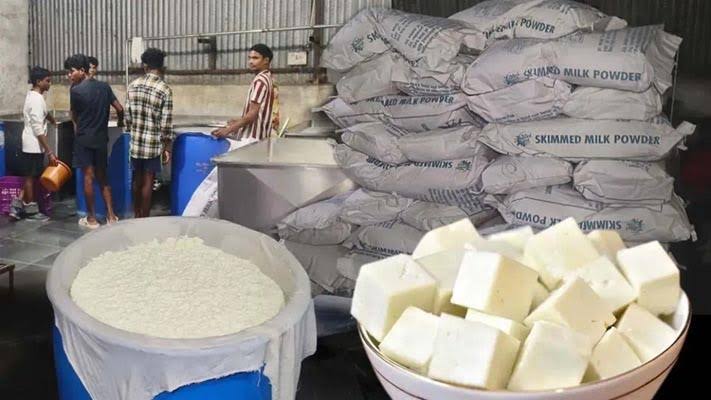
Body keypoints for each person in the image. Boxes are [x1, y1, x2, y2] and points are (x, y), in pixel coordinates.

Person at [64, 53, 123, 229]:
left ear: (82, 70)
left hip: (84, 140)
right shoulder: (104, 87)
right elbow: (120, 108)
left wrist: (79, 130)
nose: (69, 75)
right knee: (103, 177)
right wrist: (121, 122)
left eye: (71, 71)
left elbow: (75, 116)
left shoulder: (75, 91)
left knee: (88, 178)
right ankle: (111, 216)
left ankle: (91, 219)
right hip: (101, 139)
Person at [124, 48, 174, 218]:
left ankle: (136, 215)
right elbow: (166, 124)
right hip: (153, 145)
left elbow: (128, 117)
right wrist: (167, 147)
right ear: (162, 67)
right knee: (148, 182)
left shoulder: (132, 86)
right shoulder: (164, 89)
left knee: (136, 181)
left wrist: (133, 129)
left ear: (145, 66)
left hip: (136, 143)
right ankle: (144, 219)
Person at [9, 67, 59, 221]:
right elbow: (38, 128)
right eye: (47, 81)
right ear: (39, 82)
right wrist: (49, 151)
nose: (49, 84)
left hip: (32, 144)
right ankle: (31, 210)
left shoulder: (33, 96)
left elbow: (43, 113)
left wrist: (52, 120)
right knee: (30, 178)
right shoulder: (36, 99)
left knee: (31, 177)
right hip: (33, 145)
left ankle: (17, 207)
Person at [212, 44, 276, 140]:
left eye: (255, 58)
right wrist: (238, 121)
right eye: (249, 58)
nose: (251, 62)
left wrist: (227, 130)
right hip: (262, 137)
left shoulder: (260, 81)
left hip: (253, 138)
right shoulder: (268, 77)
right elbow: (259, 111)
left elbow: (251, 115)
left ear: (266, 60)